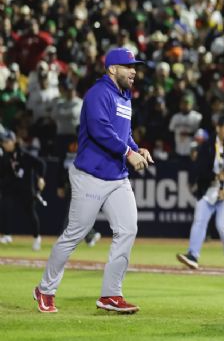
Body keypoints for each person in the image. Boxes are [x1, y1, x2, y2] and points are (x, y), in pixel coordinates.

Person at [34, 47, 153, 314]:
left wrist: (137, 147)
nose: (134, 71)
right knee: (75, 234)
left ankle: (111, 295)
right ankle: (45, 289)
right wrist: (128, 152)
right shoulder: (99, 93)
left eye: (135, 66)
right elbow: (101, 131)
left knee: (128, 229)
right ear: (112, 69)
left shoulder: (125, 95)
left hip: (117, 176)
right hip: (90, 176)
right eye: (128, 66)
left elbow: (124, 132)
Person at [176, 116, 224, 271]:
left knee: (223, 226)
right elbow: (199, 170)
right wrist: (215, 176)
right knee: (199, 222)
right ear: (218, 128)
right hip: (208, 191)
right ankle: (193, 256)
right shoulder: (207, 146)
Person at [0, 130, 46, 250]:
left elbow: (40, 164)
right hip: (10, 188)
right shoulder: (4, 156)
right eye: (3, 142)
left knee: (30, 212)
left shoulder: (24, 155)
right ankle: (7, 234)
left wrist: (40, 178)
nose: (4, 144)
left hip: (25, 188)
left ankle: (37, 237)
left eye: (7, 141)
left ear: (14, 141)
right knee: (5, 205)